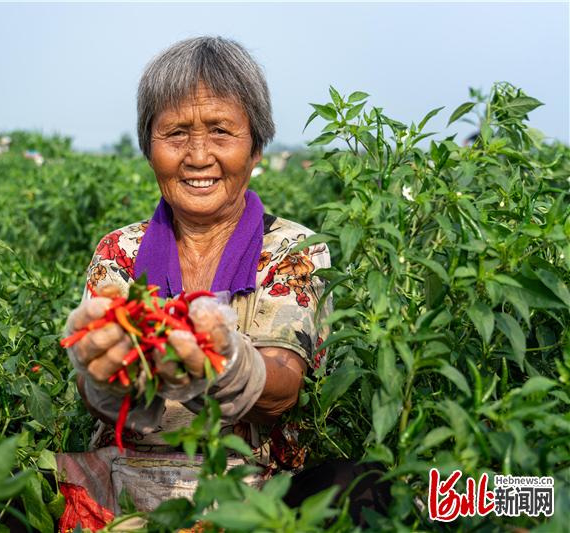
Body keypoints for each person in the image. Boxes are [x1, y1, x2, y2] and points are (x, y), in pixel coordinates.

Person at [57, 36, 388, 527]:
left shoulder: (291, 249)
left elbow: (283, 389)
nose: (197, 156)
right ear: (149, 148)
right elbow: (99, 399)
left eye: (220, 131)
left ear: (255, 146)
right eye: (175, 134)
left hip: (255, 493)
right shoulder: (120, 252)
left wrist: (222, 360)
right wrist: (107, 371)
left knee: (361, 487)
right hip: (126, 488)